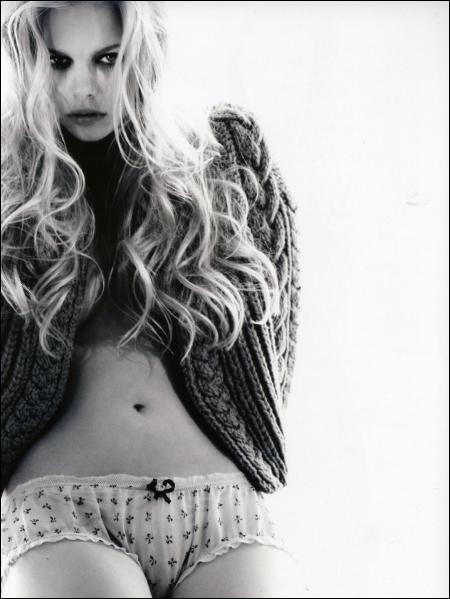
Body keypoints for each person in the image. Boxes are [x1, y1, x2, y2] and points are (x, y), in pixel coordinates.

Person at [1, 1, 301, 597]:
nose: (83, 86)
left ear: (145, 55)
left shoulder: (226, 154)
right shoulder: (11, 178)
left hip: (225, 512)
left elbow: (274, 341)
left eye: (107, 58)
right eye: (59, 61)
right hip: (66, 510)